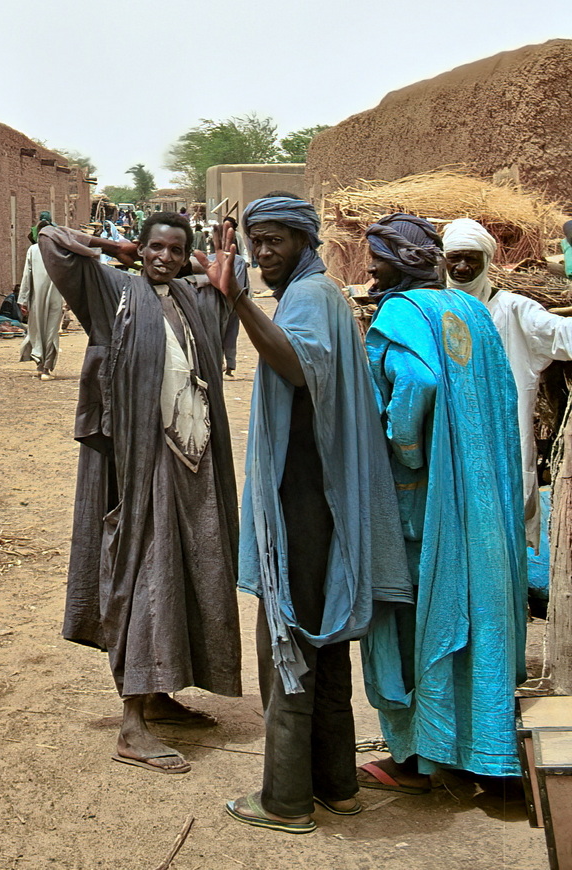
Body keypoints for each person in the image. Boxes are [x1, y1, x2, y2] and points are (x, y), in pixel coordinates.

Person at [205, 196, 411, 833]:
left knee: (290, 637)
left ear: (304, 240)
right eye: (256, 242)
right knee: (322, 640)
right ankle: (336, 785)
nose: (263, 252)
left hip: (307, 502)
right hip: (313, 496)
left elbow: (296, 366)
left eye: (275, 240)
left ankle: (287, 799)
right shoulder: (309, 293)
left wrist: (239, 301)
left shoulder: (312, 295)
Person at [38, 212, 242, 775]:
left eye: (176, 250)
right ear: (141, 247)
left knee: (181, 571)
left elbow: (230, 287)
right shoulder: (113, 290)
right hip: (140, 463)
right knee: (144, 572)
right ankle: (132, 725)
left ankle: (158, 694)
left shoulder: (190, 298)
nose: (164, 257)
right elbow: (51, 240)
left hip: (189, 460)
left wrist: (202, 264)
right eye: (155, 246)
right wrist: (113, 246)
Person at [359, 215, 527, 794]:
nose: (370, 270)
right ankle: (481, 748)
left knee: (415, 617)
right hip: (482, 499)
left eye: (377, 259)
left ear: (399, 262)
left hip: (424, 501)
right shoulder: (472, 310)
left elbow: (417, 385)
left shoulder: (401, 312)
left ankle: (416, 756)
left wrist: (402, 449)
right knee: (479, 611)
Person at [442, 218, 572, 548]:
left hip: (502, 446)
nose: (462, 267)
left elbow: (561, 335)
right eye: (455, 257)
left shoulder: (514, 310)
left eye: (472, 259)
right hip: (446, 442)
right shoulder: (431, 309)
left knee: (501, 534)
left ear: (487, 261)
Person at [19, 224, 64, 380]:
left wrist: (24, 299)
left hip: (38, 297)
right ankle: (45, 369)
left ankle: (41, 366)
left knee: (38, 330)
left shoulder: (33, 250)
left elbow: (27, 276)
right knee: (51, 331)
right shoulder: (60, 250)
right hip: (55, 297)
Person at [217, 216, 250, 377]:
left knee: (228, 333)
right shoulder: (212, 260)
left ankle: (229, 364)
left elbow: (242, 284)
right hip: (226, 303)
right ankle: (222, 363)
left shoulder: (239, 261)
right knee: (224, 333)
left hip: (228, 303)